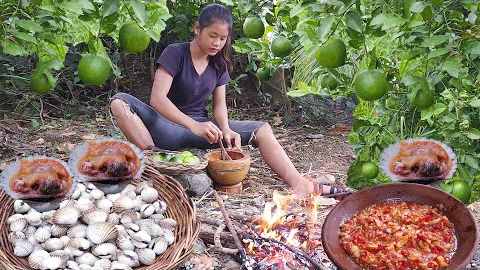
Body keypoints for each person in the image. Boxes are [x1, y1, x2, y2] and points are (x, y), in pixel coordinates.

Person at [109, 3, 350, 199]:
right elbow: (157, 99)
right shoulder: (176, 52)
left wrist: (224, 129)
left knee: (263, 130)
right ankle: (156, 161)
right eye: (212, 35)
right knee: (119, 102)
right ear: (197, 28)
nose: (217, 43)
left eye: (222, 38)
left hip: (203, 131)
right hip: (164, 127)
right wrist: (193, 124)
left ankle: (301, 185)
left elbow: (219, 106)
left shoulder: (219, 64)